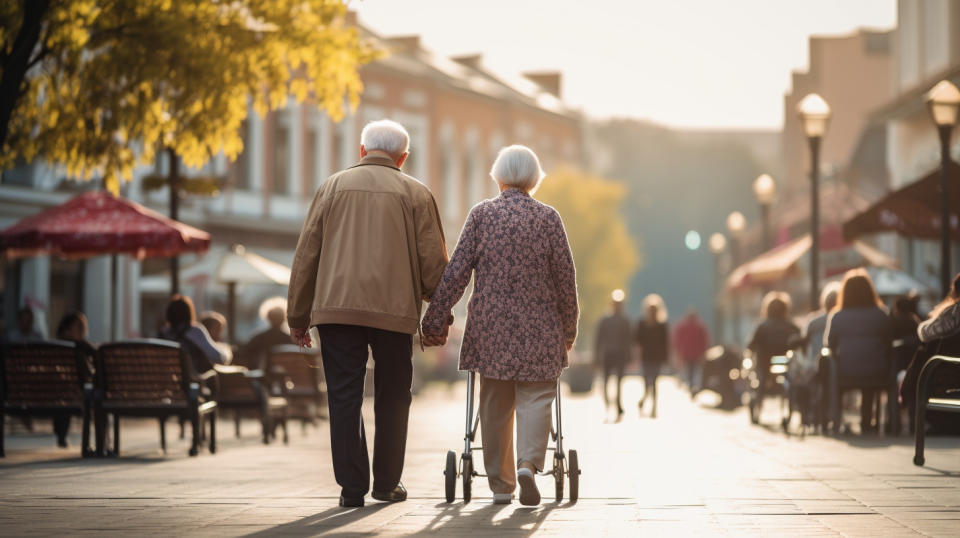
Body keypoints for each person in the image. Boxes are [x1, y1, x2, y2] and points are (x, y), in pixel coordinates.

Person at [287, 119, 448, 508]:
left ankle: (351, 488)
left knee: (343, 396)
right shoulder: (416, 193)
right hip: (395, 314)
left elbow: (307, 253)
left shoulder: (331, 187)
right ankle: (387, 483)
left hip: (336, 310)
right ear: (403, 157)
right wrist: (437, 315)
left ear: (362, 151)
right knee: (394, 395)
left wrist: (298, 315)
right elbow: (434, 264)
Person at [422, 145, 579, 506]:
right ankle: (528, 464)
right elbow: (565, 281)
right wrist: (568, 331)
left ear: (497, 174)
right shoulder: (549, 218)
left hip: (490, 329)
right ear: (535, 178)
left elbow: (456, 273)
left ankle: (501, 485)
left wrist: (433, 322)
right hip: (540, 328)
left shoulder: (482, 216)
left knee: (494, 404)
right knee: (537, 397)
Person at [824, 269, 893, 433]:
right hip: (877, 370)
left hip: (846, 370)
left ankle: (837, 420)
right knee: (869, 382)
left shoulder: (837, 316)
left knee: (848, 370)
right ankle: (867, 422)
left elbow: (829, 344)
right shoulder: (881, 315)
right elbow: (889, 342)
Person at [901, 272, 960, 433]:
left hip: (947, 377)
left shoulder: (953, 312)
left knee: (924, 352)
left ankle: (908, 400)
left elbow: (926, 332)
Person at [747, 292, 801, 419]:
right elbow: (799, 342)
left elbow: (751, 346)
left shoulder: (762, 327)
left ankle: (758, 404)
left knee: (759, 376)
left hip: (765, 364)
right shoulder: (791, 327)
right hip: (784, 363)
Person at [52, 311, 96, 448]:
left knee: (63, 394)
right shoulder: (80, 347)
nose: (83, 331)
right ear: (67, 330)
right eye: (80, 327)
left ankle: (61, 435)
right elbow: (96, 357)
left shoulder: (52, 348)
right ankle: (99, 443)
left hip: (55, 393)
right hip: (77, 392)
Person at [160, 295, 232, 375]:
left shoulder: (163, 333)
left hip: (167, 382)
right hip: (192, 382)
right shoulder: (195, 331)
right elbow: (219, 358)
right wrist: (226, 350)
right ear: (189, 313)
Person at [594, 290, 632, 418]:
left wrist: (630, 355)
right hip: (608, 354)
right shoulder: (606, 320)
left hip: (619, 354)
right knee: (607, 380)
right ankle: (608, 402)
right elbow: (599, 339)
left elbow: (629, 340)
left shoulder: (624, 320)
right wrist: (596, 356)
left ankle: (617, 404)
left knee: (618, 382)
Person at [635, 294, 669, 418]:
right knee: (646, 381)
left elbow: (665, 343)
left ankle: (654, 406)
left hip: (657, 358)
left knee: (654, 381)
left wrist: (666, 358)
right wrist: (635, 356)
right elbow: (637, 341)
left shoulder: (662, 325)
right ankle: (644, 398)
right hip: (645, 357)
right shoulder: (641, 324)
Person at [238, 306, 293, 370]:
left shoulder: (260, 337)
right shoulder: (289, 338)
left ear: (268, 318)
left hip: (265, 373)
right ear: (284, 319)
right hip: (287, 373)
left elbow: (245, 351)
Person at [672, 308, 709, 394]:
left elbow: (677, 340)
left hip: (688, 353)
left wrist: (678, 352)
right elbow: (705, 341)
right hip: (694, 354)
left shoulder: (683, 326)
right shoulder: (699, 326)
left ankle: (690, 384)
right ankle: (691, 385)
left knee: (689, 370)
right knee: (693, 371)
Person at [804, 282, 842, 362]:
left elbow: (805, 342)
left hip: (815, 361)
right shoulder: (841, 320)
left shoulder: (813, 321)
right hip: (835, 362)